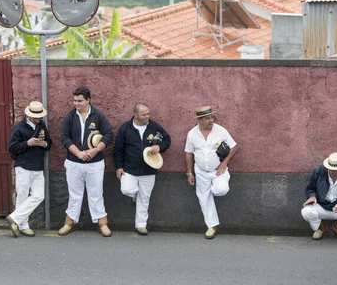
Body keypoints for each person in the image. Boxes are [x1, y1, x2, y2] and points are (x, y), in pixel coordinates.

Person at [59, 86, 113, 237]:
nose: (76, 103)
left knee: (96, 194)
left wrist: (95, 150)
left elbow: (108, 135)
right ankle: (69, 223)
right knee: (74, 194)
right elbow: (64, 137)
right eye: (74, 100)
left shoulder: (98, 116)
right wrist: (78, 153)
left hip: (95, 164)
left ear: (88, 100)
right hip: (73, 163)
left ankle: (102, 223)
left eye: (80, 100)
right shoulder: (70, 117)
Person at [113, 103, 171, 235]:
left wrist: (160, 147)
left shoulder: (154, 126)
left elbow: (167, 140)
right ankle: (134, 196)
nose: (147, 116)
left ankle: (141, 225)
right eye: (144, 114)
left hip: (149, 169)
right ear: (136, 115)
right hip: (129, 169)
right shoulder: (125, 128)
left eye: (148, 113)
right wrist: (119, 167)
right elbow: (118, 149)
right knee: (127, 190)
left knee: (144, 198)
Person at [184, 106, 237, 239]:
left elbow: (234, 146)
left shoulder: (220, 130)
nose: (211, 120)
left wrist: (224, 163)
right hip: (201, 172)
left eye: (212, 117)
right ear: (199, 120)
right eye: (207, 118)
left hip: (218, 171)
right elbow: (188, 153)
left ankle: (210, 191)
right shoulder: (192, 134)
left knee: (221, 190)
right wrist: (189, 173)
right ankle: (212, 226)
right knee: (204, 199)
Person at [6, 101, 51, 238]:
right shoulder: (19, 128)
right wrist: (27, 143)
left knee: (39, 196)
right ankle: (23, 225)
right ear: (28, 115)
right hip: (23, 166)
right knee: (22, 195)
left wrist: (44, 144)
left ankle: (14, 218)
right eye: (36, 117)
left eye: (40, 117)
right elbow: (12, 148)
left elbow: (49, 144)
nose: (38, 119)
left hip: (38, 166)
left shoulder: (41, 126)